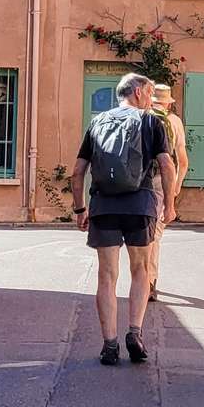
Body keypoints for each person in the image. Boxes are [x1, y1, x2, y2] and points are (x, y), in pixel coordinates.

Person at [70, 73, 178, 366]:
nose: (152, 98)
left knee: (107, 275)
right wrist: (169, 204)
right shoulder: (151, 122)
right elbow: (167, 165)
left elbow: (78, 171)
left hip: (104, 205)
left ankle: (109, 344)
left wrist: (80, 209)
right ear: (138, 91)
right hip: (140, 204)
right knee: (140, 269)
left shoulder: (97, 122)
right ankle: (135, 332)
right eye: (150, 92)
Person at [146, 84, 189, 302]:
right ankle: (149, 281)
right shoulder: (173, 122)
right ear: (168, 103)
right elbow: (182, 161)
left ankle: (140, 278)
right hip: (161, 181)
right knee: (155, 234)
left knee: (139, 232)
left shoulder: (140, 117)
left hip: (138, 181)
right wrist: (175, 188)